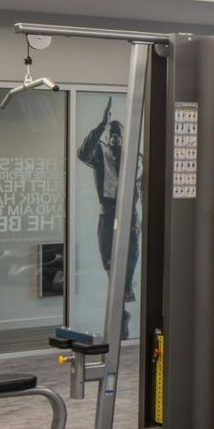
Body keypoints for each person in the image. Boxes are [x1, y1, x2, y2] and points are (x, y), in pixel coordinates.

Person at [78, 99, 140, 339]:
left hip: (128, 212)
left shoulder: (136, 157)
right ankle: (120, 312)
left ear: (125, 138)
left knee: (129, 256)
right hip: (107, 211)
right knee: (108, 259)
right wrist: (102, 125)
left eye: (118, 135)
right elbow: (82, 153)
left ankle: (125, 295)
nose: (115, 139)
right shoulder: (99, 154)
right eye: (111, 135)